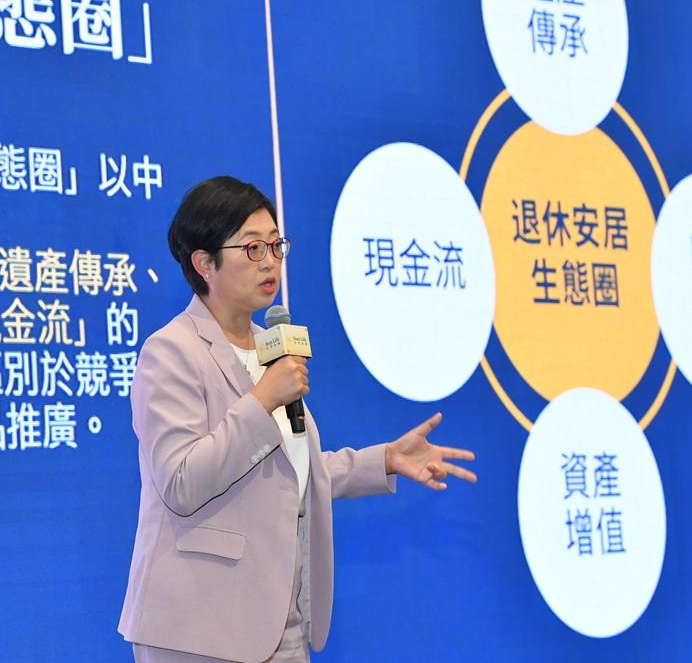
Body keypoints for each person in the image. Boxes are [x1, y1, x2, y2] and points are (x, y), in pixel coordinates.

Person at [119, 176, 476, 662]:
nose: (270, 261)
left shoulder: (270, 346)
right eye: (251, 247)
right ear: (204, 263)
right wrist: (262, 400)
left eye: (275, 245)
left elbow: (287, 471)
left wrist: (386, 459)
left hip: (280, 618)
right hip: (198, 625)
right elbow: (181, 482)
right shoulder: (171, 352)